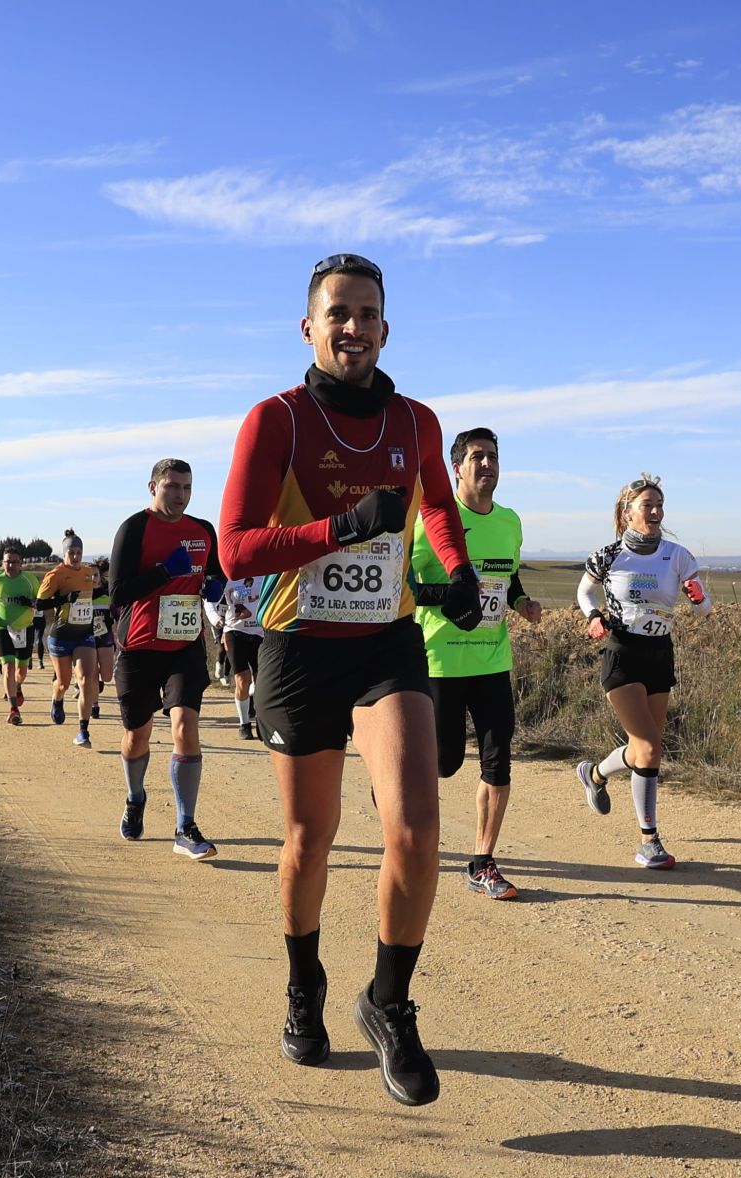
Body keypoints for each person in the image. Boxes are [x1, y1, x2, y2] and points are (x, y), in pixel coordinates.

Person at [219, 251, 482, 1108]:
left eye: (367, 313)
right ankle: (305, 985)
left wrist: (457, 567)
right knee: (311, 840)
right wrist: (340, 527)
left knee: (416, 828)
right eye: (338, 313)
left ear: (385, 327)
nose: (353, 327)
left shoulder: (415, 422)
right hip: (298, 647)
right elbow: (234, 550)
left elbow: (437, 505)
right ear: (309, 326)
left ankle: (389, 1003)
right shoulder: (277, 422)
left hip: (386, 642)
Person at [408, 428, 541, 902]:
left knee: (498, 761)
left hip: (492, 660)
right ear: (456, 468)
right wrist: (451, 595)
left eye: (494, 457)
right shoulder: (428, 522)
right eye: (477, 457)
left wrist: (521, 601)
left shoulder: (509, 521)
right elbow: (404, 584)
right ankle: (398, 802)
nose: (487, 464)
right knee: (441, 766)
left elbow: (509, 572)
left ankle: (483, 861)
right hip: (439, 661)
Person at [573, 474, 712, 869]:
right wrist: (593, 615)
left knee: (642, 749)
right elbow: (584, 591)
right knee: (650, 748)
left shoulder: (678, 555)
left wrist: (698, 598)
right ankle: (648, 841)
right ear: (627, 511)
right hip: (622, 652)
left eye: (659, 505)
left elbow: (704, 610)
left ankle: (595, 773)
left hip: (659, 653)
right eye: (647, 505)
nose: (655, 512)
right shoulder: (609, 555)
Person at [108, 459, 228, 859]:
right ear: (152, 487)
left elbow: (215, 575)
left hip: (184, 645)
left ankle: (185, 826)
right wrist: (163, 573)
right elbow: (118, 594)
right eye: (172, 486)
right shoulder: (135, 529)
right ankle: (135, 796)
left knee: (185, 725)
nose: (180, 495)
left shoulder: (202, 530)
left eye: (187, 487)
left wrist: (216, 585)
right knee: (136, 737)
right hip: (140, 647)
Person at [38, 531, 101, 746]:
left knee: (85, 681)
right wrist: (64, 598)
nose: (76, 557)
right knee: (63, 683)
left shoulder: (87, 571)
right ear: (64, 553)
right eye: (71, 553)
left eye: (79, 552)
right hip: (62, 636)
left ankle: (83, 731)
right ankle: (57, 698)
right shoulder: (55, 574)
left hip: (84, 634)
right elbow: (40, 605)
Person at [206, 574, 264, 739]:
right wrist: (216, 619)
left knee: (261, 681)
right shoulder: (230, 576)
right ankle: (244, 724)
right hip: (234, 632)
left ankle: (262, 720)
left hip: (260, 633)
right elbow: (210, 601)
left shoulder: (265, 574)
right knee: (242, 680)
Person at [0, 548, 39, 722]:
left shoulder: (29, 580)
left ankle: (18, 685)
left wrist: (29, 602)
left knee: (21, 671)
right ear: (2, 563)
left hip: (25, 628)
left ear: (21, 563)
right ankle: (13, 709)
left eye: (14, 561)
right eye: (7, 561)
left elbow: (41, 602)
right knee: (8, 668)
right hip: (2, 627)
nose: (10, 565)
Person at [89, 558, 116, 718]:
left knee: (106, 676)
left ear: (100, 577)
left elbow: (119, 614)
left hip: (105, 638)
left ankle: (97, 680)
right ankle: (94, 706)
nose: (92, 579)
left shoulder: (108, 595)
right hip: (86, 641)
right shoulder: (80, 595)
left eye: (95, 575)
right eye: (89, 575)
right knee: (92, 675)